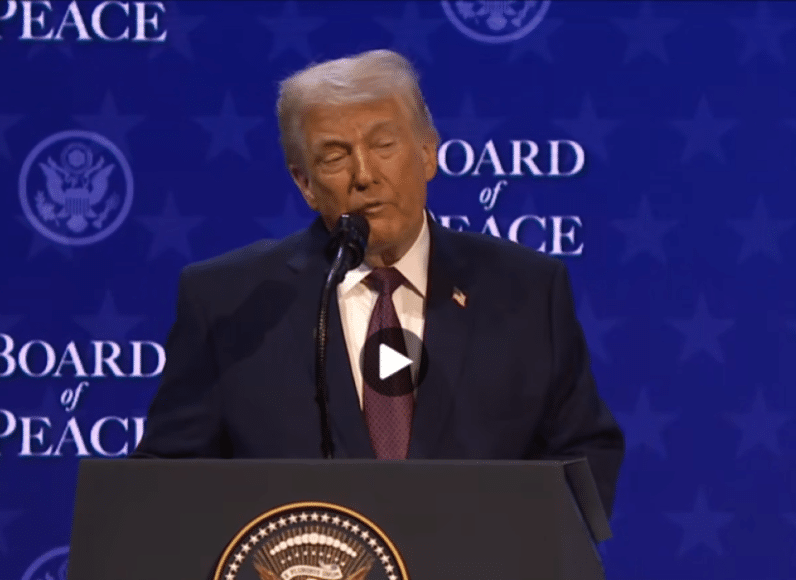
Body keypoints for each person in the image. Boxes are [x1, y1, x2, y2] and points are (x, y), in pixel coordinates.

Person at [132, 49, 624, 517]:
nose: (365, 175)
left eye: (384, 145)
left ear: (428, 153)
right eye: (334, 157)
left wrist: (513, 547)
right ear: (304, 183)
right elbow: (169, 480)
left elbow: (583, 455)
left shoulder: (525, 290)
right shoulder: (230, 301)